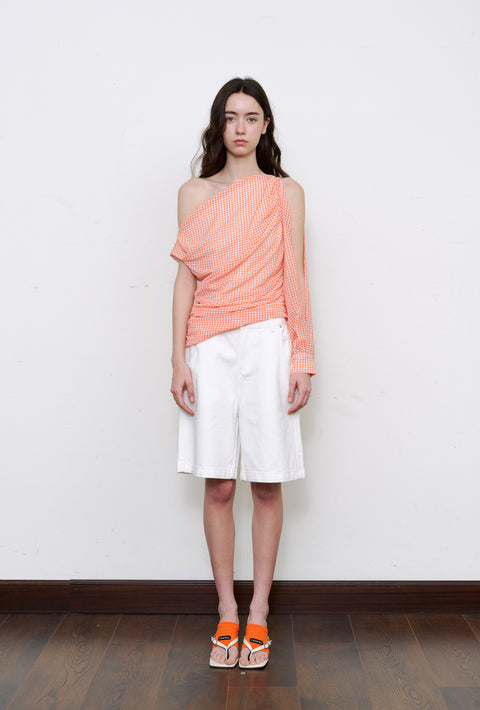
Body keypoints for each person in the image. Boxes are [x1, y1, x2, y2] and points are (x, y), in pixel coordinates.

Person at [170, 77, 315, 669]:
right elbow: (186, 276)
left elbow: (295, 275)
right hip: (208, 342)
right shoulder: (194, 192)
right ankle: (226, 611)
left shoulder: (285, 193)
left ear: (265, 126)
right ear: (218, 124)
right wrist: (176, 358)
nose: (240, 128)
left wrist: (303, 356)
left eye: (251, 118)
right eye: (230, 117)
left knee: (266, 480)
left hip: (268, 340)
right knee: (220, 483)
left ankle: (259, 614)